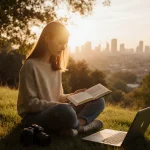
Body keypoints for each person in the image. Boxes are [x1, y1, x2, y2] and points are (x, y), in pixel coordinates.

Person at [17, 21, 105, 137]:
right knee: (65, 110)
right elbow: (30, 104)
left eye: (65, 44)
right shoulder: (30, 65)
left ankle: (75, 128)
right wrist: (59, 105)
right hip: (34, 117)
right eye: (60, 43)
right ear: (47, 38)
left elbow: (58, 97)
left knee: (99, 101)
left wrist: (72, 96)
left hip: (57, 111)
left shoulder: (55, 67)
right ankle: (81, 127)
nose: (63, 47)